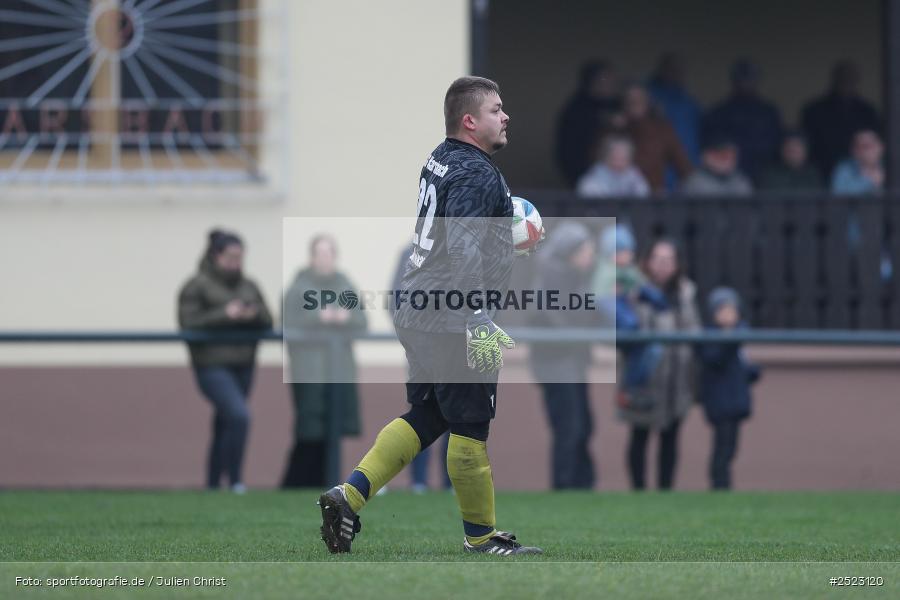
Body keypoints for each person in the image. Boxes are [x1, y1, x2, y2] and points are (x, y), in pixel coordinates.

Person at [318, 76, 542, 556]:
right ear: (470, 120)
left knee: (429, 412)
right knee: (471, 424)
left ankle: (347, 496)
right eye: (497, 109)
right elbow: (461, 246)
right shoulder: (477, 173)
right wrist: (478, 314)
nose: (505, 117)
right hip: (452, 313)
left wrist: (501, 241)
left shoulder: (439, 156)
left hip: (418, 304)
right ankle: (481, 538)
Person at [177, 229, 273, 493]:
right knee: (239, 416)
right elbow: (189, 325)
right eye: (231, 256)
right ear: (216, 255)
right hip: (211, 365)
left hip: (244, 363)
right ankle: (236, 481)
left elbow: (268, 318)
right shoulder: (196, 285)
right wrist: (225, 314)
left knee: (225, 423)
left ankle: (212, 485)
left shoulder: (249, 285)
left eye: (240, 257)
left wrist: (251, 314)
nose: (236, 262)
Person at [282, 234, 367, 488]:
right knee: (310, 430)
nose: (325, 259)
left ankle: (325, 484)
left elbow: (361, 321)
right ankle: (295, 484)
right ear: (312, 257)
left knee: (334, 428)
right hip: (309, 371)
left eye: (329, 254)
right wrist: (318, 317)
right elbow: (288, 323)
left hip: (339, 369)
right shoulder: (298, 288)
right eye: (320, 254)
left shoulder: (345, 285)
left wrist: (345, 318)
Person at [618, 238, 701, 490]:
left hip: (676, 377)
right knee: (639, 434)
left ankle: (666, 491)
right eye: (658, 259)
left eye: (669, 260)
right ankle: (638, 491)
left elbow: (694, 330)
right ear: (648, 261)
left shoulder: (686, 292)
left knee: (671, 437)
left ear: (677, 265)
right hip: (643, 375)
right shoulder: (633, 290)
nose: (663, 265)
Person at [530, 221, 598, 490]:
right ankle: (566, 487)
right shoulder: (552, 279)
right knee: (569, 429)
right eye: (585, 250)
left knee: (583, 426)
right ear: (570, 252)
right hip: (556, 364)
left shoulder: (573, 277)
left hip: (573, 363)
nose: (590, 256)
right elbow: (560, 323)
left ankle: (582, 486)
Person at [389, 243, 451, 494]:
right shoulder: (410, 253)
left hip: (455, 347)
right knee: (422, 411)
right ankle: (418, 482)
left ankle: (452, 483)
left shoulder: (466, 251)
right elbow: (395, 300)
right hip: (423, 348)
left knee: (459, 415)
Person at [696, 287, 761, 490]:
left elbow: (745, 371)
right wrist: (732, 340)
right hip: (719, 403)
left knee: (731, 448)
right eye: (722, 310)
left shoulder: (738, 340)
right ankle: (719, 486)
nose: (728, 315)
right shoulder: (710, 338)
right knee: (722, 449)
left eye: (732, 310)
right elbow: (714, 359)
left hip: (735, 402)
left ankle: (724, 486)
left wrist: (753, 370)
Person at [702, 59, 783, 182]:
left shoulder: (768, 111)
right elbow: (711, 146)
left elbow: (777, 143)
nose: (746, 83)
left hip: (764, 174)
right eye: (742, 79)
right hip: (728, 178)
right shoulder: (720, 112)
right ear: (734, 81)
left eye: (750, 79)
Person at [801, 61, 881, 179]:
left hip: (859, 168)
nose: (846, 82)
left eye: (850, 79)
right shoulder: (815, 110)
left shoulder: (867, 111)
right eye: (843, 78)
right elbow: (808, 140)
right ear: (834, 80)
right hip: (822, 165)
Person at [614, 83, 693, 193]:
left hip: (653, 199)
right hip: (616, 198)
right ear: (623, 104)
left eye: (640, 100)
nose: (635, 104)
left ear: (648, 102)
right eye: (630, 101)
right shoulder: (613, 130)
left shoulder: (662, 130)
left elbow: (684, 167)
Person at [555, 60, 622, 187]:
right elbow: (568, 149)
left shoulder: (617, 105)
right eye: (605, 79)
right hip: (585, 177)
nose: (611, 84)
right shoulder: (576, 109)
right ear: (592, 81)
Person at [647, 52, 702, 171]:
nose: (677, 73)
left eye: (680, 69)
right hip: (660, 167)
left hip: (687, 164)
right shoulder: (650, 97)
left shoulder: (689, 102)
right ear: (662, 70)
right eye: (672, 69)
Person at [576, 135, 650, 198]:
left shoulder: (634, 174)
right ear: (606, 157)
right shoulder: (594, 176)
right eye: (616, 157)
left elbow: (643, 196)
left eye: (623, 158)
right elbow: (587, 196)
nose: (619, 162)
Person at [680, 134, 753, 196]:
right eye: (721, 154)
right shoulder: (694, 182)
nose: (726, 159)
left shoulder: (740, 181)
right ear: (706, 155)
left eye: (730, 155)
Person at [758, 131, 824, 192]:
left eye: (797, 150)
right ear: (782, 151)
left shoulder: (813, 174)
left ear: (806, 152)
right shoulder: (770, 175)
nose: (793, 153)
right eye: (790, 149)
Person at [831, 129, 885, 195]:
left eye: (872, 145)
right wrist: (869, 182)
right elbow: (838, 196)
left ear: (880, 147)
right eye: (865, 147)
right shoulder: (844, 170)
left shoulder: (892, 169)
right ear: (854, 151)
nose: (870, 151)